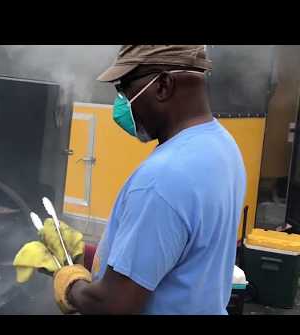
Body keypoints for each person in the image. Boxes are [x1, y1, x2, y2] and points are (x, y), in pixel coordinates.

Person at [53, 45, 247, 315]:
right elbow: (178, 253)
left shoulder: (163, 178)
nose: (121, 103)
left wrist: (68, 282)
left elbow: (113, 305)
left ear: (163, 85)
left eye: (125, 88)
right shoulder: (222, 147)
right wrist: (89, 254)